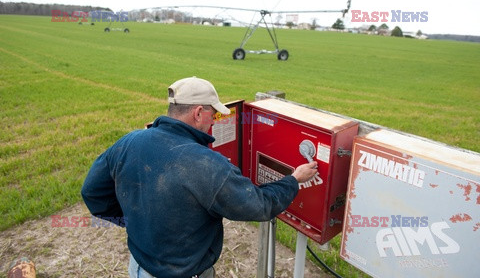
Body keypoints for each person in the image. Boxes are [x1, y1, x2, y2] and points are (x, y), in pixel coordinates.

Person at [81, 77, 318, 278]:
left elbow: (92, 192)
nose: (214, 122)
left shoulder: (130, 141)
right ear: (197, 113)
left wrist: (134, 221)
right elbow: (259, 206)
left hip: (139, 267)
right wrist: (293, 179)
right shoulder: (207, 165)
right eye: (213, 115)